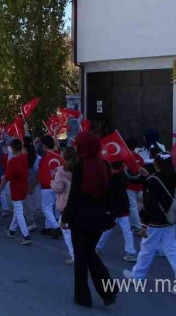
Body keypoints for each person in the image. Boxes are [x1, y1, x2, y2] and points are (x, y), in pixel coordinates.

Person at [124, 152, 176, 295]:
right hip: (169, 218)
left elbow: (150, 204)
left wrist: (144, 224)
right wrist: (148, 176)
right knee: (173, 250)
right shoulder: (172, 176)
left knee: (146, 248)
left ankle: (138, 276)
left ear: (157, 164)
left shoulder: (153, 180)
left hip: (155, 221)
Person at [61, 132, 117, 308]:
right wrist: (110, 216)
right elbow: (110, 194)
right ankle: (108, 290)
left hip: (81, 218)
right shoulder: (104, 165)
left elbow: (74, 195)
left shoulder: (80, 166)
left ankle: (83, 296)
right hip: (99, 218)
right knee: (90, 253)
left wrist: (65, 217)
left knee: (82, 257)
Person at [96, 161, 137, 262]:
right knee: (126, 230)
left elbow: (108, 195)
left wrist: (107, 208)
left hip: (113, 209)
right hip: (123, 207)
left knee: (108, 229)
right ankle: (131, 252)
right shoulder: (124, 176)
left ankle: (98, 247)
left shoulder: (111, 179)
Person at [0, 139, 32, 245]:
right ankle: (11, 230)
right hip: (24, 187)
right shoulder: (24, 158)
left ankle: (26, 235)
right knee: (17, 209)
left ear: (13, 149)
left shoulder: (12, 161)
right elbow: (24, 151)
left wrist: (0, 189)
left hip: (16, 189)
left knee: (18, 211)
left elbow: (7, 178)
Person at [52, 146, 76, 265]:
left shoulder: (61, 171)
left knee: (66, 230)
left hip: (66, 204)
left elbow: (58, 188)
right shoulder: (80, 168)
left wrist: (52, 181)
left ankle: (74, 255)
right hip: (78, 203)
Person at [38, 135, 61, 238]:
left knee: (46, 207)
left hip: (47, 186)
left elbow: (42, 174)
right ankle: (48, 227)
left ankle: (56, 227)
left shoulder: (45, 158)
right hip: (57, 185)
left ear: (44, 146)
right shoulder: (58, 156)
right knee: (54, 207)